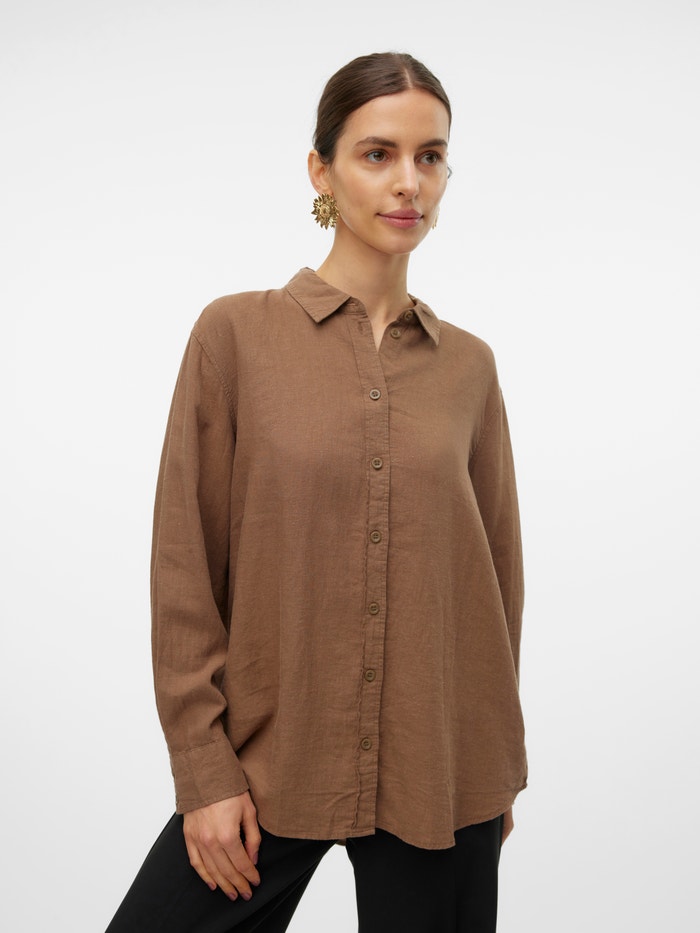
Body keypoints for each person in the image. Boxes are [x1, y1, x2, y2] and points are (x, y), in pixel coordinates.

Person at [106, 51, 527, 933]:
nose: (409, 182)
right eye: (378, 154)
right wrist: (203, 774)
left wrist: (489, 770)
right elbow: (184, 571)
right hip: (269, 763)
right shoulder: (234, 336)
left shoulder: (469, 367)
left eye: (431, 156)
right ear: (321, 171)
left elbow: (496, 578)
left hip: (440, 769)